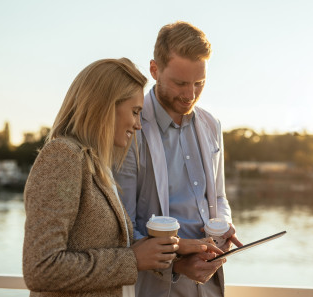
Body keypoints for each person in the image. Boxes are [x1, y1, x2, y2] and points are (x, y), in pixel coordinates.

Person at [23, 57, 222, 297]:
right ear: (105, 107)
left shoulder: (97, 166)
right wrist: (132, 259)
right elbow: (41, 268)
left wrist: (179, 248)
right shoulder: (63, 157)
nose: (139, 125)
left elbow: (111, 247)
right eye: (135, 112)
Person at [113, 21, 242, 297]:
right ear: (154, 70)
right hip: (157, 286)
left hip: (209, 283)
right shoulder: (131, 128)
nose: (190, 95)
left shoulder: (212, 125)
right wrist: (179, 262)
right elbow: (123, 225)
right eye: (180, 83)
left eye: (199, 83)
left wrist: (224, 227)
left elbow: (218, 198)